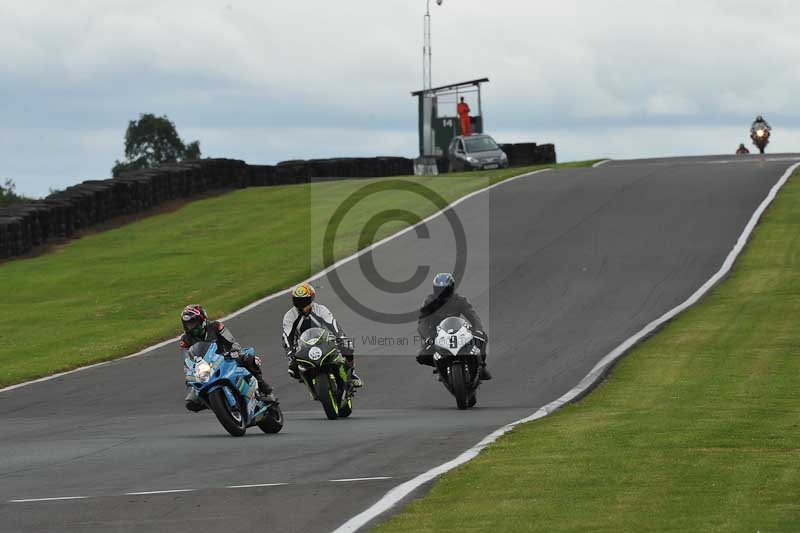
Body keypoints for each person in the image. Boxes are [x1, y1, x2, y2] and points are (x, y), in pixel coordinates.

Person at [180, 304, 275, 412]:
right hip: (205, 369)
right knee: (191, 402)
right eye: (188, 324)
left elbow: (232, 342)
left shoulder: (216, 326)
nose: (191, 327)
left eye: (193, 323)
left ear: (202, 320)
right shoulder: (185, 340)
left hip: (226, 357)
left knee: (249, 358)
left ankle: (265, 390)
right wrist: (189, 372)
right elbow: (186, 360)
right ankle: (217, 405)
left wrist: (235, 352)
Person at [282, 283, 363, 388]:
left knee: (348, 346)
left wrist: (340, 337)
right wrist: (290, 351)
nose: (301, 304)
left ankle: (351, 374)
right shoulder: (289, 316)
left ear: (311, 298)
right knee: (292, 369)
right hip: (303, 346)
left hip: (325, 340)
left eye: (304, 301)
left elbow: (334, 325)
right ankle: (310, 383)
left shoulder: (321, 309)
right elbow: (287, 336)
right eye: (298, 301)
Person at [416, 272, 492, 380]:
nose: (442, 294)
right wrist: (428, 337)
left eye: (445, 290)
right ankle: (441, 367)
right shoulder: (429, 302)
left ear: (451, 289)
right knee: (422, 356)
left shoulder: (460, 300)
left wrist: (478, 331)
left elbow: (473, 316)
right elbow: (422, 322)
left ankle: (482, 366)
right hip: (436, 333)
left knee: (482, 337)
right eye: (439, 290)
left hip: (458, 328)